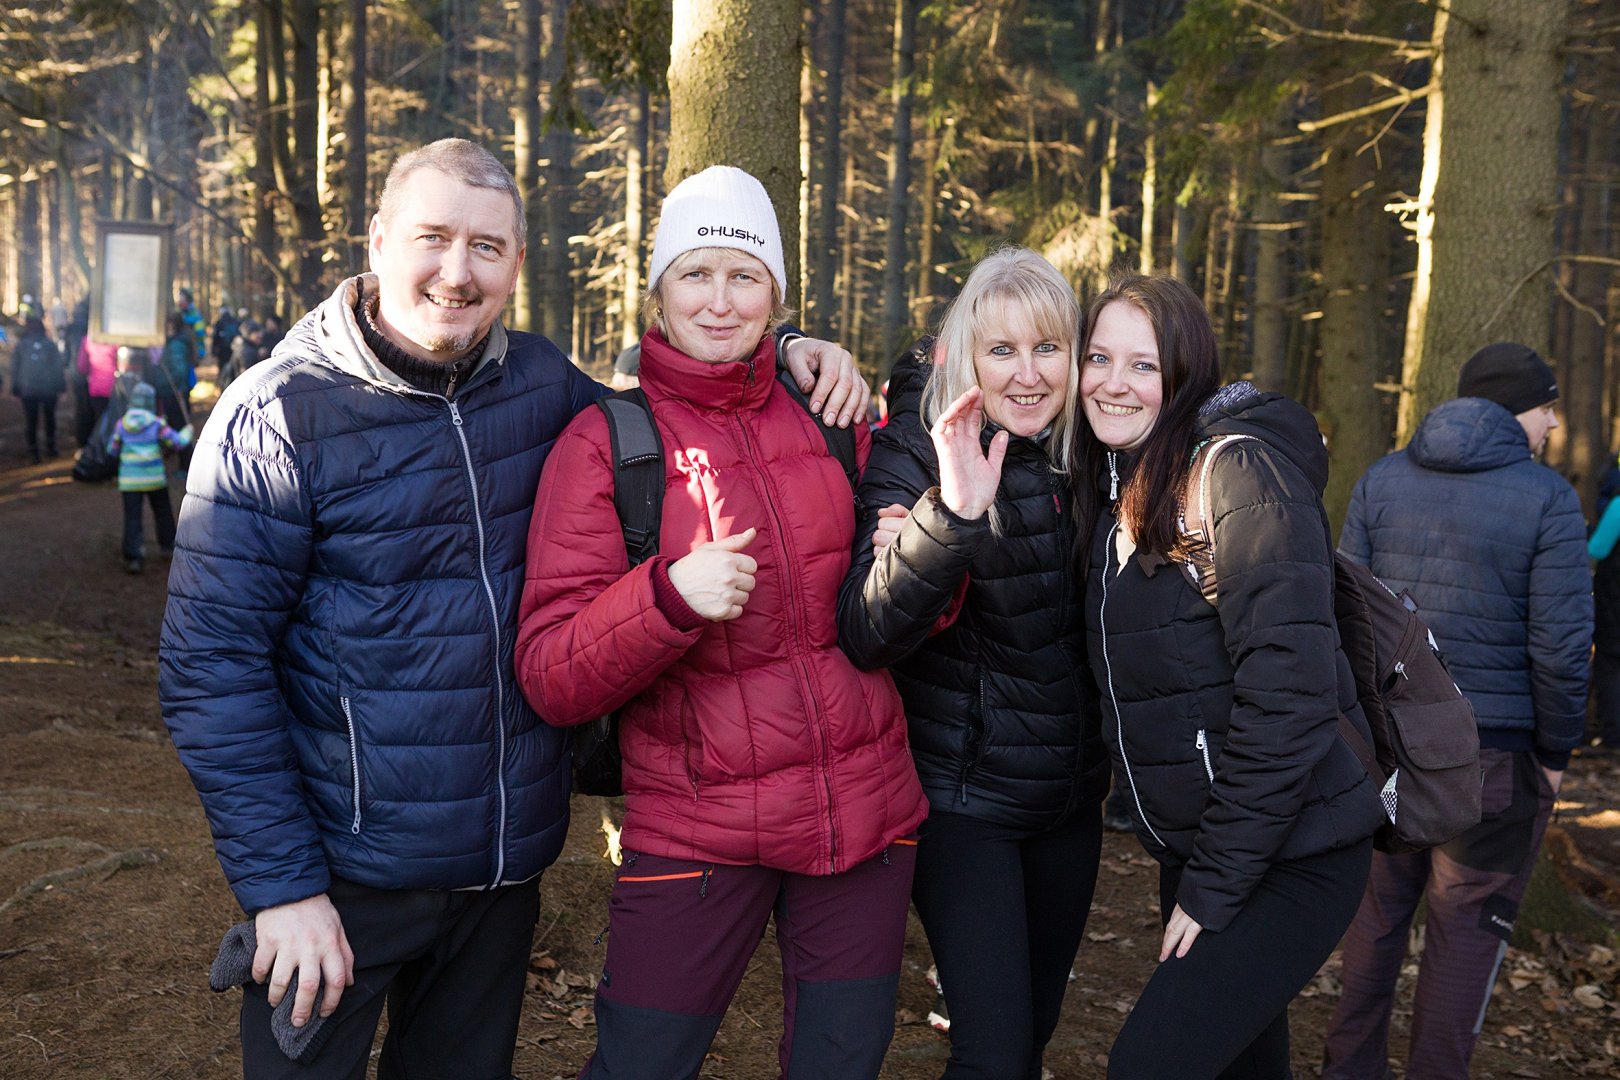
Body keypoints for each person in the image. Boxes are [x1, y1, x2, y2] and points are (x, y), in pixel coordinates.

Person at [157, 138, 861, 1080]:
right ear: (378, 241)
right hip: (340, 881)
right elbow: (210, 670)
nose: (458, 272)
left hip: (499, 875)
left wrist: (789, 348)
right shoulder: (278, 416)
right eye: (433, 238)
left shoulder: (542, 386)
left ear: (517, 263)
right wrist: (282, 889)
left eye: (486, 247)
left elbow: (690, 399)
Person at [515, 164, 925, 1080]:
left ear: (776, 295)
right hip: (696, 831)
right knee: (640, 1067)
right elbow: (550, 674)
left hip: (861, 820)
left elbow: (912, 628)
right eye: (695, 273)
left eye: (745, 276)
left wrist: (927, 558)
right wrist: (666, 598)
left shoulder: (835, 418)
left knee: (842, 1067)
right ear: (658, 292)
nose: (719, 299)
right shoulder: (607, 445)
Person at [1069, 274, 1384, 1079]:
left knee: (1147, 1066)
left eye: (1142, 364)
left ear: (1184, 376)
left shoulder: (1238, 475)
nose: (1113, 382)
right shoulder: (1117, 487)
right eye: (1098, 358)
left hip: (1294, 847)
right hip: (1206, 843)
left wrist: (1212, 884)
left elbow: (1293, 700)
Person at [837, 247, 1108, 1080]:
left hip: (1069, 799)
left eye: (1047, 349)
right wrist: (948, 520)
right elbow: (866, 632)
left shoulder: (1093, 450)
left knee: (1030, 1037)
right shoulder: (919, 447)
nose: (1028, 375)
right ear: (964, 356)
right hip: (964, 798)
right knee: (993, 1055)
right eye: (1002, 351)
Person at [1321, 342, 1591, 1080]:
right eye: (1547, 408)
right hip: (1494, 759)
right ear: (1515, 409)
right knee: (1467, 935)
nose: (1555, 424)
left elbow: (1345, 613)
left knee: (1374, 922)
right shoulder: (1548, 499)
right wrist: (1557, 752)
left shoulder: (1381, 479)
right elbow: (1561, 649)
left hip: (1388, 748)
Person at [108, 380, 191, 573]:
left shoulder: (121, 424)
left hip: (129, 481)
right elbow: (177, 443)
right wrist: (187, 432)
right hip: (155, 479)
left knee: (132, 518)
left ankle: (134, 557)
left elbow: (112, 449)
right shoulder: (156, 424)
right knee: (163, 512)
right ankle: (167, 546)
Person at [1587, 455, 1620, 754]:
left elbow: (1597, 548)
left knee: (1610, 666)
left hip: (1614, 600)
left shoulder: (1618, 506)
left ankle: (1613, 735)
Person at [10, 315, 66, 462]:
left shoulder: (21, 346)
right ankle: (51, 448)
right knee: (50, 419)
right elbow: (58, 368)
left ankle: (33, 452)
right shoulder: (50, 345)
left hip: (28, 389)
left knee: (31, 421)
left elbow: (15, 368)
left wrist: (15, 389)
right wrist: (61, 388)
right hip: (49, 389)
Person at [75, 334, 121, 446]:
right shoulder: (116, 339)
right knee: (114, 422)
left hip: (96, 389)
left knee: (99, 422)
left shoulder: (88, 340)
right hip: (115, 389)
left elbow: (81, 366)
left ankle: (100, 448)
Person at [156, 312, 195, 430]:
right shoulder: (176, 341)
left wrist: (161, 383)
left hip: (174, 392)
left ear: (172, 325)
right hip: (175, 390)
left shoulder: (176, 345)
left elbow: (179, 370)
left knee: (177, 426)